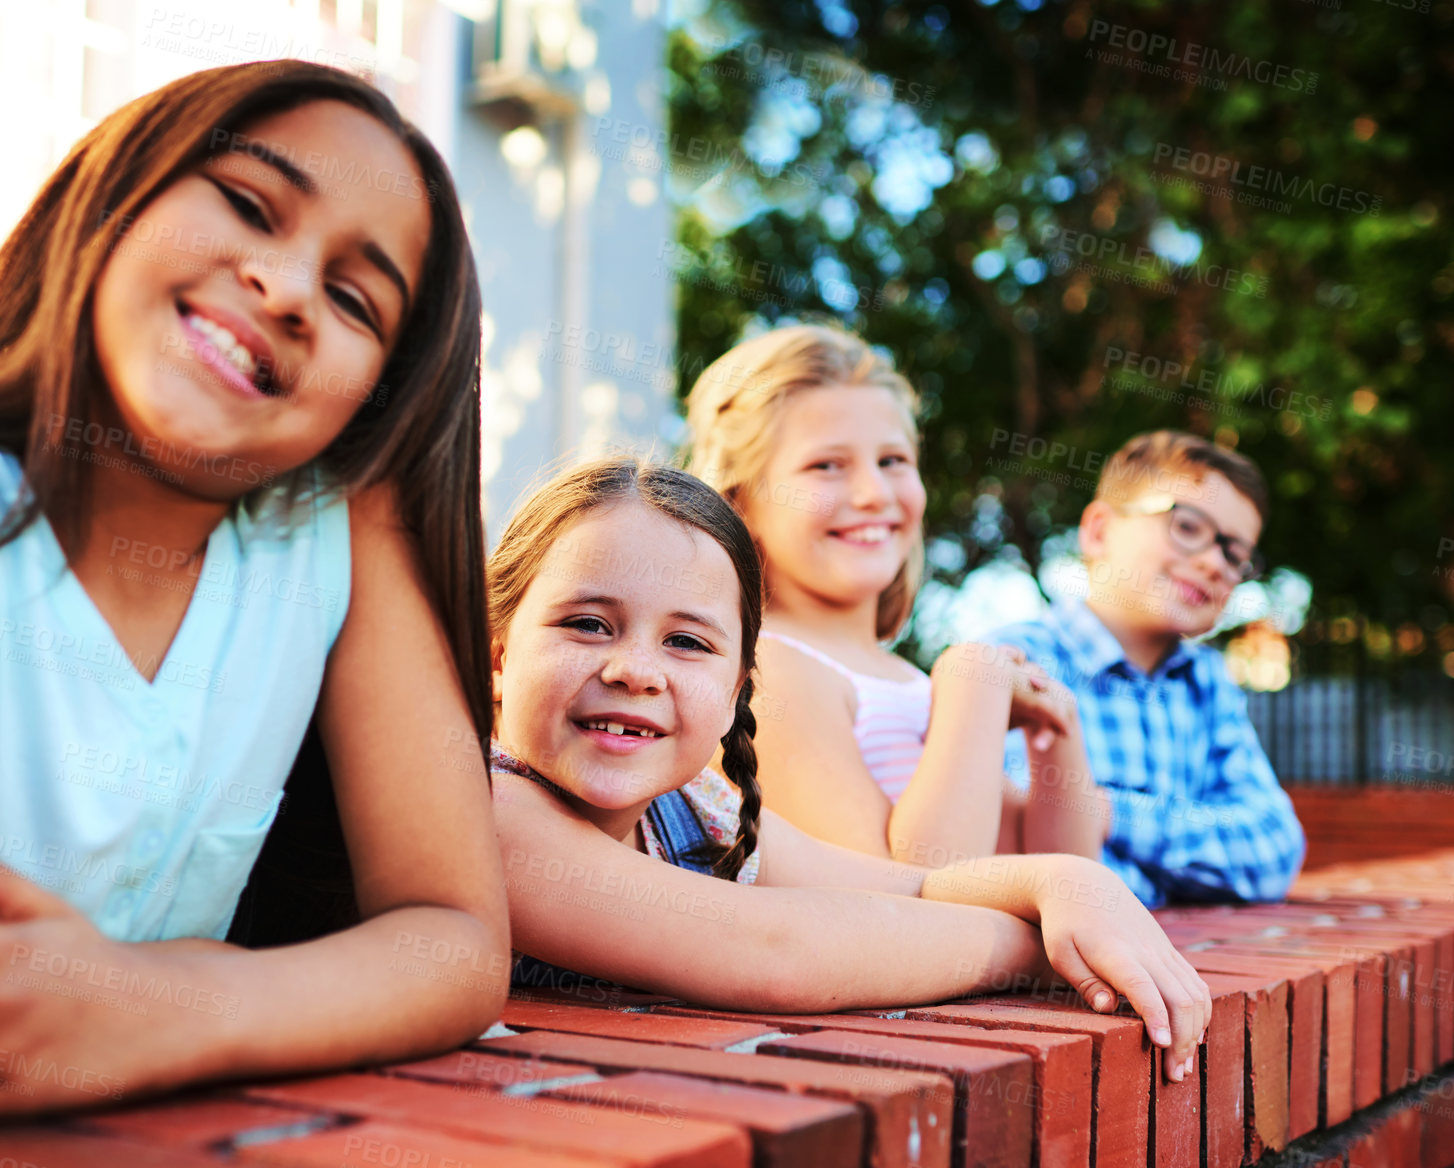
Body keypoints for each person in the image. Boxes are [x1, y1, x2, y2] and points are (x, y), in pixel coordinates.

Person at [0, 60, 510, 1118]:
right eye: (247, 204)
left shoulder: (333, 534)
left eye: (352, 298)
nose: (286, 289)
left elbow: (458, 940)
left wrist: (169, 1005)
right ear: (118, 197)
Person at [486, 457, 1209, 1081]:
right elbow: (773, 951)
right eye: (587, 624)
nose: (636, 670)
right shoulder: (484, 808)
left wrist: (1066, 884)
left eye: (686, 641)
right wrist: (1041, 947)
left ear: (738, 686)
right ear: (496, 652)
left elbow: (918, 885)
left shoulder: (701, 807)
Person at [684, 325, 1108, 866]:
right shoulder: (768, 671)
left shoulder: (907, 682)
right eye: (826, 465)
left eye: (893, 461)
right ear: (741, 503)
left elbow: (1061, 874)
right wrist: (972, 682)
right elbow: (901, 896)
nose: (873, 494)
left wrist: (1055, 728)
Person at [987, 431, 1306, 907]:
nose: (1216, 563)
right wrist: (1176, 881)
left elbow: (1276, 847)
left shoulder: (1209, 682)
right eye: (1189, 527)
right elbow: (1025, 851)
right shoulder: (1016, 659)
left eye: (1235, 554)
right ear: (1099, 531)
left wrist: (1108, 812)